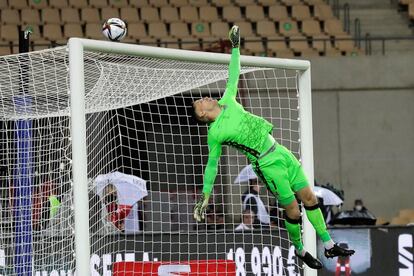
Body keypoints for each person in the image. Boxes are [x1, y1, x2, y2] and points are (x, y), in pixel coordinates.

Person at [192, 25, 355, 270]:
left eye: (203, 97)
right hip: (266, 164)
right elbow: (212, 165)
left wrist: (236, 47)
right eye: (200, 102)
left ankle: (329, 244)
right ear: (203, 114)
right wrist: (205, 195)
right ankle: (300, 249)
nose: (205, 98)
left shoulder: (227, 101)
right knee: (293, 210)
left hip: (280, 151)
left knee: (309, 197)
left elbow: (234, 72)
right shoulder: (215, 133)